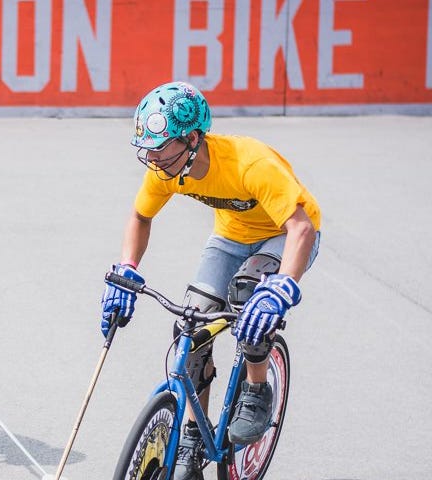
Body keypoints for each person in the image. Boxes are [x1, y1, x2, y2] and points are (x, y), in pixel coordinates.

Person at [100, 81, 321, 480]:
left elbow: (301, 228)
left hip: (285, 235)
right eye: (146, 147)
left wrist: (282, 287)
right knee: (192, 324)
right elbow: (140, 216)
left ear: (192, 138)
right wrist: (127, 269)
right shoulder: (169, 169)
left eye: (159, 146)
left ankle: (256, 391)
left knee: (251, 306)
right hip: (232, 237)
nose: (151, 156)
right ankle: (192, 432)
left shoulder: (250, 164)